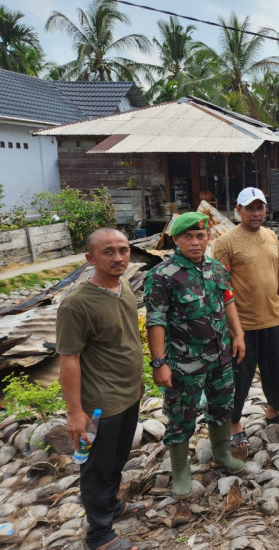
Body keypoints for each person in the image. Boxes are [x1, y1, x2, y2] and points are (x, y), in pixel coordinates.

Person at [144, 212, 246, 511]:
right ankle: (180, 471)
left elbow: (228, 301)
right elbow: (156, 319)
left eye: (200, 236)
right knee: (181, 414)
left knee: (221, 404)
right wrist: (159, 361)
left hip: (219, 356)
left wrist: (238, 335)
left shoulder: (216, 269)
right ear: (175, 239)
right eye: (187, 236)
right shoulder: (163, 275)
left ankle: (222, 453)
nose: (195, 241)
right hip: (183, 361)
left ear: (207, 238)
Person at [57, 228, 146, 550]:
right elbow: (68, 360)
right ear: (90, 259)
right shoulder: (76, 304)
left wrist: (137, 380)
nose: (119, 257)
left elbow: (126, 340)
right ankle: (98, 535)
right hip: (99, 406)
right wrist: (75, 413)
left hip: (127, 395)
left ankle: (112, 506)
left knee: (117, 458)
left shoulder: (123, 287)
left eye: (123, 250)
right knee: (96, 468)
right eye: (108, 252)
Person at [213, 187, 279, 455]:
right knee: (239, 376)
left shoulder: (270, 236)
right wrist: (233, 329)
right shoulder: (226, 243)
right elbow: (221, 288)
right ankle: (234, 423)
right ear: (238, 210)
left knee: (276, 370)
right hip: (243, 325)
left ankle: (273, 411)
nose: (256, 213)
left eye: (260, 207)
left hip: (271, 317)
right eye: (250, 208)